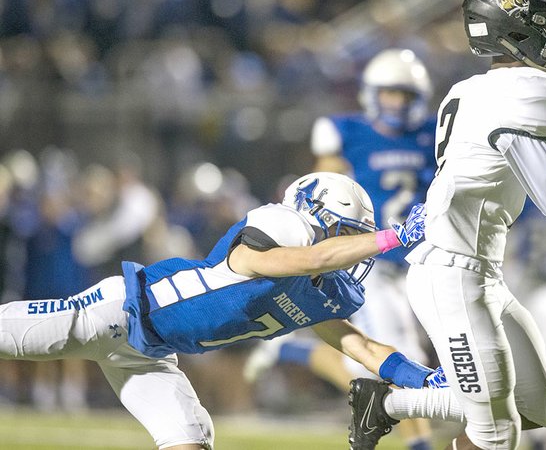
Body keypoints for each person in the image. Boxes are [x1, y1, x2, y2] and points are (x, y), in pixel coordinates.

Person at [346, 0, 546, 450]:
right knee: (497, 430)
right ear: (518, 28)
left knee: (539, 405)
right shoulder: (533, 90)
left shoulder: (465, 90)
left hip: (474, 269)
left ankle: (386, 404)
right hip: (454, 273)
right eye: (545, 23)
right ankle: (386, 405)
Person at [0, 171, 434, 450]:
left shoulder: (319, 290)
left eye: (356, 237)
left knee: (190, 443)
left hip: (151, 355)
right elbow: (295, 261)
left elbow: (358, 343)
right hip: (118, 311)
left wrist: (421, 378)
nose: (351, 250)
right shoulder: (275, 234)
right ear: (313, 220)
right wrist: (391, 238)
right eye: (343, 234)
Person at [244, 48, 438, 450]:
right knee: (395, 354)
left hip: (421, 260)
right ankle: (421, 445)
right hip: (373, 259)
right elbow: (323, 194)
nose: (397, 104)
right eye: (390, 94)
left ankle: (295, 351)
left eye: (404, 95)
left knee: (366, 361)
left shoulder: (433, 135)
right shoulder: (345, 132)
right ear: (371, 94)